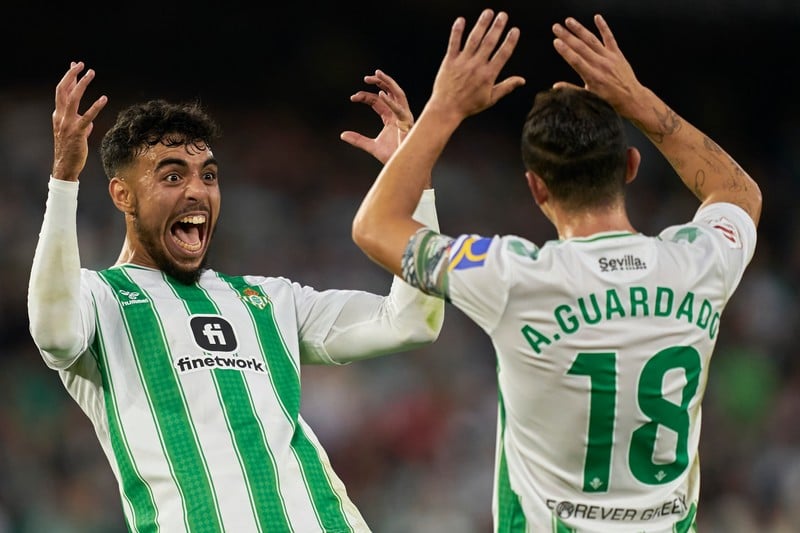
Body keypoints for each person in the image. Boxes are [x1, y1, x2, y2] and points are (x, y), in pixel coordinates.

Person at [351, 8, 762, 533]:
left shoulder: (516, 277)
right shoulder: (698, 263)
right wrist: (636, 98)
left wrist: (444, 109)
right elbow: (738, 193)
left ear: (536, 187)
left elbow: (375, 226)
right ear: (631, 166)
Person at [27, 61, 444, 532]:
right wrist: (64, 178)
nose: (197, 191)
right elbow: (54, 334)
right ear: (123, 195)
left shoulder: (268, 299)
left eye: (208, 176)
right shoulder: (98, 298)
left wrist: (414, 178)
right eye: (172, 177)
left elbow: (412, 321)